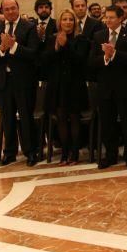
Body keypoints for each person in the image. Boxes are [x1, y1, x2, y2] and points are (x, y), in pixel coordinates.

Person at [0, 0, 40, 167]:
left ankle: (31, 151)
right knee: (7, 117)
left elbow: (34, 54)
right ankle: (9, 153)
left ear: (18, 8)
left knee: (26, 116)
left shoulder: (29, 27)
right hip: (3, 80)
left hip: (23, 80)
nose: (10, 11)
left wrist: (14, 46)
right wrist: (2, 48)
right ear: (2, 11)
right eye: (7, 9)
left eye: (13, 8)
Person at [90, 5, 127, 170]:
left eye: (112, 17)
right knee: (107, 124)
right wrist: (105, 57)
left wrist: (115, 54)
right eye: (107, 17)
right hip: (105, 87)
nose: (108, 20)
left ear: (120, 18)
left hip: (125, 87)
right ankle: (110, 155)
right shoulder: (98, 36)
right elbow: (91, 61)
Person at [42, 9, 90, 165]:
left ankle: (74, 153)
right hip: (57, 85)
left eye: (71, 19)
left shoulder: (81, 39)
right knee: (61, 119)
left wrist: (66, 45)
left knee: (75, 118)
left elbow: (80, 60)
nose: (68, 22)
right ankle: (64, 153)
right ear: (59, 22)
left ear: (74, 22)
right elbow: (45, 61)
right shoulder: (51, 38)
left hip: (74, 84)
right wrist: (57, 48)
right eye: (65, 19)